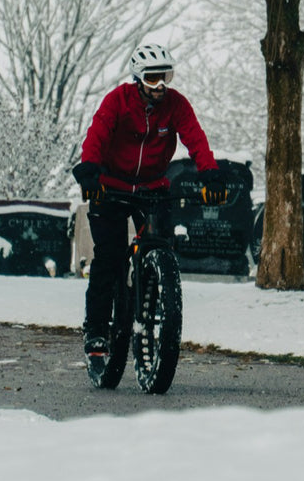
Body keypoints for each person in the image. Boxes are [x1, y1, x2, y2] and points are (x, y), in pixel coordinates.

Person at [72, 40, 227, 367]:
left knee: (161, 248)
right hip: (110, 188)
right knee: (109, 258)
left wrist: (210, 174)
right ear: (139, 79)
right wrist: (89, 173)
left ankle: (152, 297)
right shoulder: (117, 101)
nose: (160, 86)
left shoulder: (176, 105)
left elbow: (195, 138)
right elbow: (97, 135)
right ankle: (96, 332)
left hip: (152, 189)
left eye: (165, 78)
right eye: (153, 79)